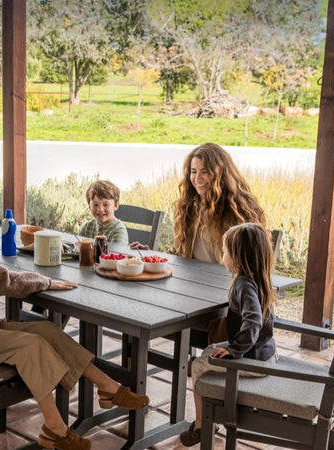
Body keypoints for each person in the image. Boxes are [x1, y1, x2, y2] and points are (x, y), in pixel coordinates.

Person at [0, 188, 149, 450]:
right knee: (31, 346)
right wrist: (46, 281)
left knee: (46, 330)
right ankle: (55, 428)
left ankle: (108, 387)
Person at [179, 223, 277, 447]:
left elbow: (253, 321)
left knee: (196, 365)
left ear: (239, 257)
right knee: (208, 351)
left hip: (253, 360)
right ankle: (210, 411)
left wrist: (235, 349)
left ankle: (202, 424)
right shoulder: (260, 279)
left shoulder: (244, 284)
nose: (223, 256)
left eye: (225, 252)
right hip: (265, 353)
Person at [131, 142, 266, 262]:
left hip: (227, 286)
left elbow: (254, 264)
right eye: (194, 172)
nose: (197, 179)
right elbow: (180, 254)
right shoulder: (189, 207)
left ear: (221, 174)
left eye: (205, 172)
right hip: (192, 284)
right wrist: (151, 256)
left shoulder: (239, 211)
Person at [77, 180, 128, 244]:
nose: (100, 209)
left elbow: (117, 253)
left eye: (106, 205)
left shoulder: (119, 230)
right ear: (89, 206)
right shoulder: (87, 227)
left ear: (116, 205)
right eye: (95, 205)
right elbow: (78, 248)